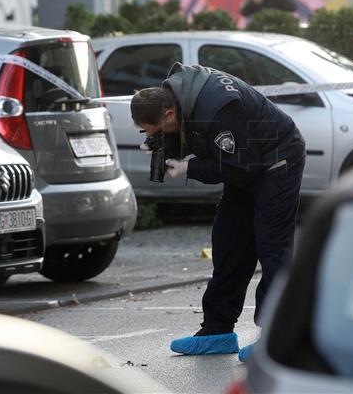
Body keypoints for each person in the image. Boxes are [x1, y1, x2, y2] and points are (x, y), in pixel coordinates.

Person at [130, 63, 305, 362]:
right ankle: (217, 331)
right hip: (248, 164)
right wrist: (164, 146)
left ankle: (278, 339)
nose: (153, 136)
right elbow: (206, 142)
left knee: (272, 248)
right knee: (230, 243)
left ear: (169, 113)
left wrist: (190, 167)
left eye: (154, 130)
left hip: (276, 161)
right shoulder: (177, 95)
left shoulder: (219, 109)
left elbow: (240, 165)